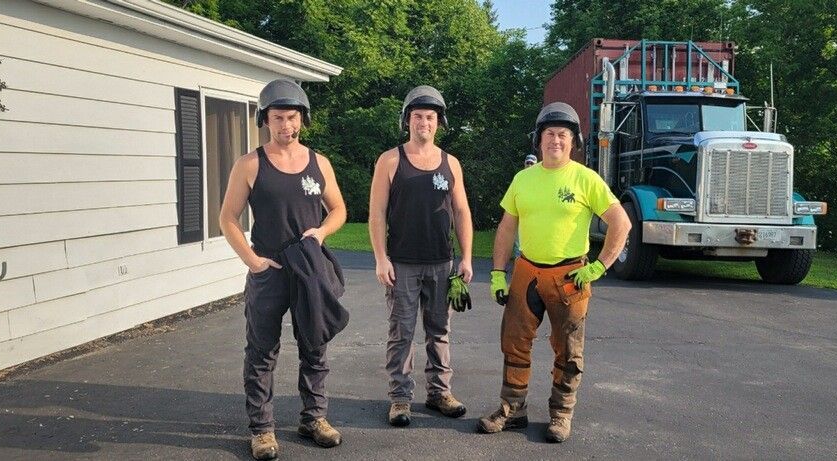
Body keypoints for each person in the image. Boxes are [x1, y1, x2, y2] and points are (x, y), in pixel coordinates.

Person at [477, 102, 631, 443]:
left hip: (569, 278)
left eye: (563, 135)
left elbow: (621, 222)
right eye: (549, 134)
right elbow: (506, 228)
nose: (556, 141)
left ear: (574, 141)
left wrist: (600, 265)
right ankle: (512, 409)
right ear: (538, 140)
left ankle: (561, 414)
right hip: (526, 273)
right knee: (514, 344)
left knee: (568, 350)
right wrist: (497, 273)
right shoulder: (523, 179)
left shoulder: (586, 179)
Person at [219, 79, 348, 460]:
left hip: (310, 270)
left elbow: (339, 209)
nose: (286, 125)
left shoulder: (319, 162)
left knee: (315, 347)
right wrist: (253, 261)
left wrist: (322, 231)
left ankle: (314, 418)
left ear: (302, 119)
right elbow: (227, 218)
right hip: (270, 270)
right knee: (261, 351)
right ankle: (262, 430)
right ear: (265, 120)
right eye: (278, 118)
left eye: (292, 117)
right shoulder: (250, 164)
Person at [368, 85, 474, 427]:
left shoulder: (451, 163)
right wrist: (380, 258)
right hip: (400, 262)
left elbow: (462, 212)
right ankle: (400, 399)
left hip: (442, 263)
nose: (424, 123)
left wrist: (467, 258)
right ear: (407, 121)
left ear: (439, 122)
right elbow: (376, 214)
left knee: (439, 331)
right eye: (417, 117)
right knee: (401, 332)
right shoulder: (390, 160)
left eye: (430, 117)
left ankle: (439, 392)